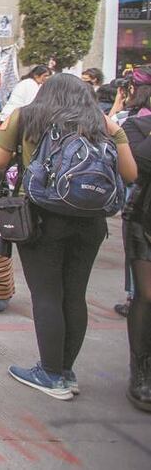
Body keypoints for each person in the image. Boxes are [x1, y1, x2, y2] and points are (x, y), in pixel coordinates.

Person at [0, 73, 137, 401]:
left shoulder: (26, 116)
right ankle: (66, 371)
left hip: (41, 218)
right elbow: (130, 174)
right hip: (91, 221)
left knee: (46, 294)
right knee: (74, 294)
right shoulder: (101, 123)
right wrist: (116, 130)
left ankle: (50, 373)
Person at [120, 66, 151, 412]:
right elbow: (137, 165)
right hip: (144, 217)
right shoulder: (134, 126)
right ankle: (141, 369)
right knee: (146, 295)